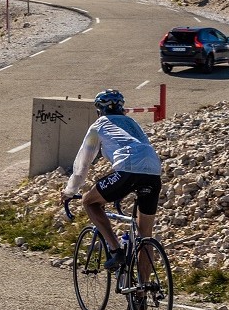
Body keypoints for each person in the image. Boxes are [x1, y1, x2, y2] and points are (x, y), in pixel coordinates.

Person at [60, 89, 163, 276]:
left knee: (88, 201)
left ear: (99, 110)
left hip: (127, 169)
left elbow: (82, 164)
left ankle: (116, 251)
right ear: (122, 108)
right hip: (154, 170)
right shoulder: (133, 123)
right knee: (145, 234)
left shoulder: (99, 125)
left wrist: (69, 191)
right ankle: (141, 293)